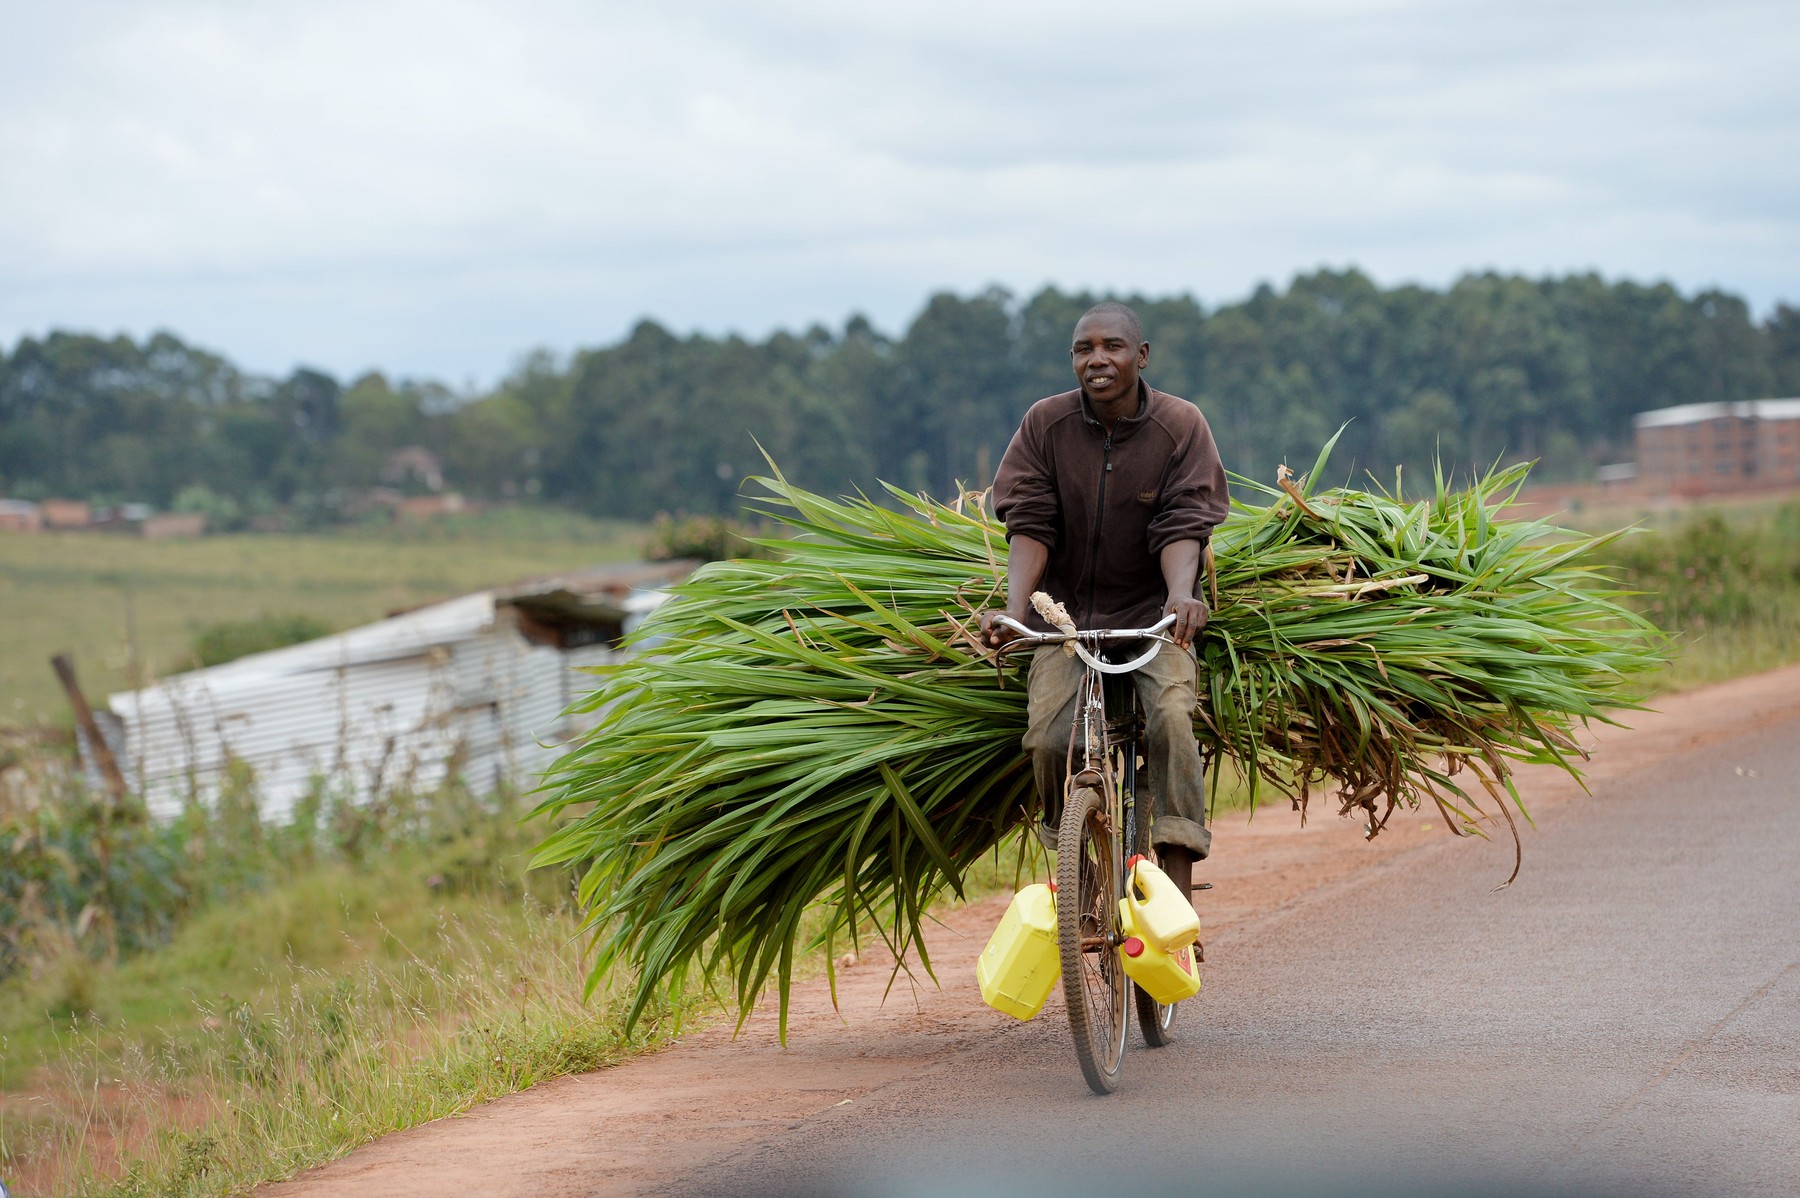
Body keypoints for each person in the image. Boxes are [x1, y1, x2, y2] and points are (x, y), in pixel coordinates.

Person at [979, 301, 1229, 901]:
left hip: (1154, 618)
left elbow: (1183, 523)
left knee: (1171, 718)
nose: (1097, 359)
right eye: (1083, 349)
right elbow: (1029, 522)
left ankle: (1177, 886)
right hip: (1063, 620)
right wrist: (1017, 609)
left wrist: (1181, 596)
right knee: (1047, 740)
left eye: (1112, 346)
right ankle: (1075, 869)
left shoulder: (1181, 424)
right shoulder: (1046, 424)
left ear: (1141, 356)